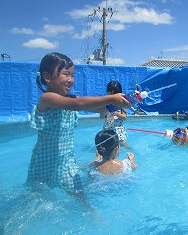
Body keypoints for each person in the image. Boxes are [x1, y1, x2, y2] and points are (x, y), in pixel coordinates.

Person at [26, 52, 130, 192]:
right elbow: (78, 104)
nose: (71, 79)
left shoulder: (72, 99)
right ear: (47, 77)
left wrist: (118, 105)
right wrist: (110, 99)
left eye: (73, 75)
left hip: (66, 162)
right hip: (45, 162)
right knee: (37, 194)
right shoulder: (47, 98)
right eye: (66, 74)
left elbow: (97, 109)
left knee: (78, 192)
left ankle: (91, 213)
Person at [100, 81, 131, 149]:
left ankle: (132, 152)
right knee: (107, 146)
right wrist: (107, 109)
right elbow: (101, 116)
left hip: (118, 129)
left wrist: (117, 114)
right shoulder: (106, 103)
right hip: (107, 129)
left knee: (123, 144)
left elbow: (124, 117)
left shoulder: (122, 103)